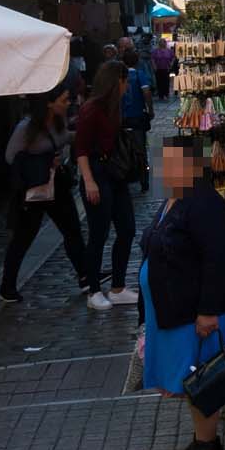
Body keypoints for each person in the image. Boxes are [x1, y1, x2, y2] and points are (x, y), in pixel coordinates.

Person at [143, 137, 225, 450]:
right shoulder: (174, 197)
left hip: (198, 311)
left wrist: (208, 311)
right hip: (176, 308)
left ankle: (209, 449)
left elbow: (218, 258)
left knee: (203, 380)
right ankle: (200, 443)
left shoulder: (204, 202)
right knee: (191, 381)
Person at [0, 83, 91, 302]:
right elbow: (10, 157)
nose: (67, 104)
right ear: (50, 104)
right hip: (36, 187)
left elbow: (65, 137)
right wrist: (42, 161)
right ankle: (7, 286)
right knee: (23, 237)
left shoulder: (57, 123)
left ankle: (86, 276)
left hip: (56, 183)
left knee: (72, 230)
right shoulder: (26, 128)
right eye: (63, 100)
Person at [75, 61, 139, 311]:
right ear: (117, 81)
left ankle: (118, 287)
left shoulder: (114, 107)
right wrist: (89, 181)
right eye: (125, 82)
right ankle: (93, 291)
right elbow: (80, 148)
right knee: (98, 235)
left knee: (127, 228)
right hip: (97, 173)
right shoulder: (92, 109)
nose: (127, 87)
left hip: (114, 174)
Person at [119, 36, 155, 192]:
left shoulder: (118, 76)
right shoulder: (140, 74)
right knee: (140, 149)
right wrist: (150, 109)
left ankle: (124, 177)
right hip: (137, 118)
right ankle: (144, 180)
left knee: (123, 149)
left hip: (121, 119)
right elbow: (146, 92)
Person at [150, 34, 176, 101]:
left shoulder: (169, 51)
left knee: (166, 82)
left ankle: (166, 94)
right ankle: (160, 95)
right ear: (159, 43)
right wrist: (154, 66)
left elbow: (173, 58)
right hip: (158, 68)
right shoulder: (155, 51)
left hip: (166, 68)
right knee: (159, 82)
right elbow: (152, 59)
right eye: (161, 42)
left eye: (163, 42)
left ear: (165, 43)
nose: (162, 43)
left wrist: (171, 64)